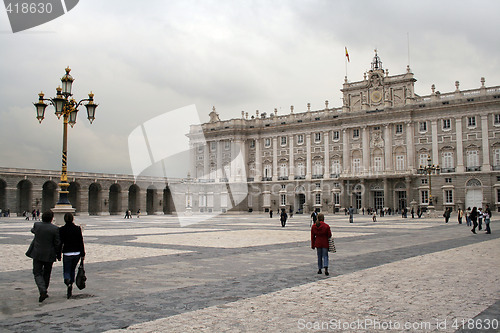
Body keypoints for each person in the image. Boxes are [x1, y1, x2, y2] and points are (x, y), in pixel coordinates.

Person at [26, 211, 61, 302]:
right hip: (50, 254)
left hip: (37, 253)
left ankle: (42, 290)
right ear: (52, 218)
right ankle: (44, 290)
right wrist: (58, 254)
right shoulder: (55, 229)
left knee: (37, 272)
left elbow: (33, 231)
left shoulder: (37, 225)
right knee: (47, 273)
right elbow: (57, 243)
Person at [59, 212, 85, 299]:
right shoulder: (77, 229)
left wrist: (58, 254)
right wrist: (82, 253)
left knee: (66, 270)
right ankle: (71, 283)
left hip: (67, 253)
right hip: (77, 253)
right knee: (73, 270)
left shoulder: (62, 229)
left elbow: (60, 243)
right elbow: (81, 242)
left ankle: (67, 281)